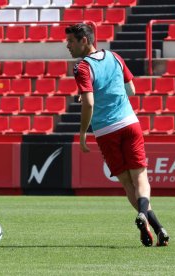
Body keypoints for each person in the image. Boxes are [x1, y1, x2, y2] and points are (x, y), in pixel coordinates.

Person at [65, 23, 169, 247]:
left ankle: (150, 222)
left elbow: (89, 102)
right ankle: (157, 227)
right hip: (130, 123)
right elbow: (131, 89)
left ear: (85, 40)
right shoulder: (115, 56)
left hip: (105, 131)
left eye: (71, 41)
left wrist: (83, 132)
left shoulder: (82, 67)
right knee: (141, 178)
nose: (68, 46)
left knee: (126, 183)